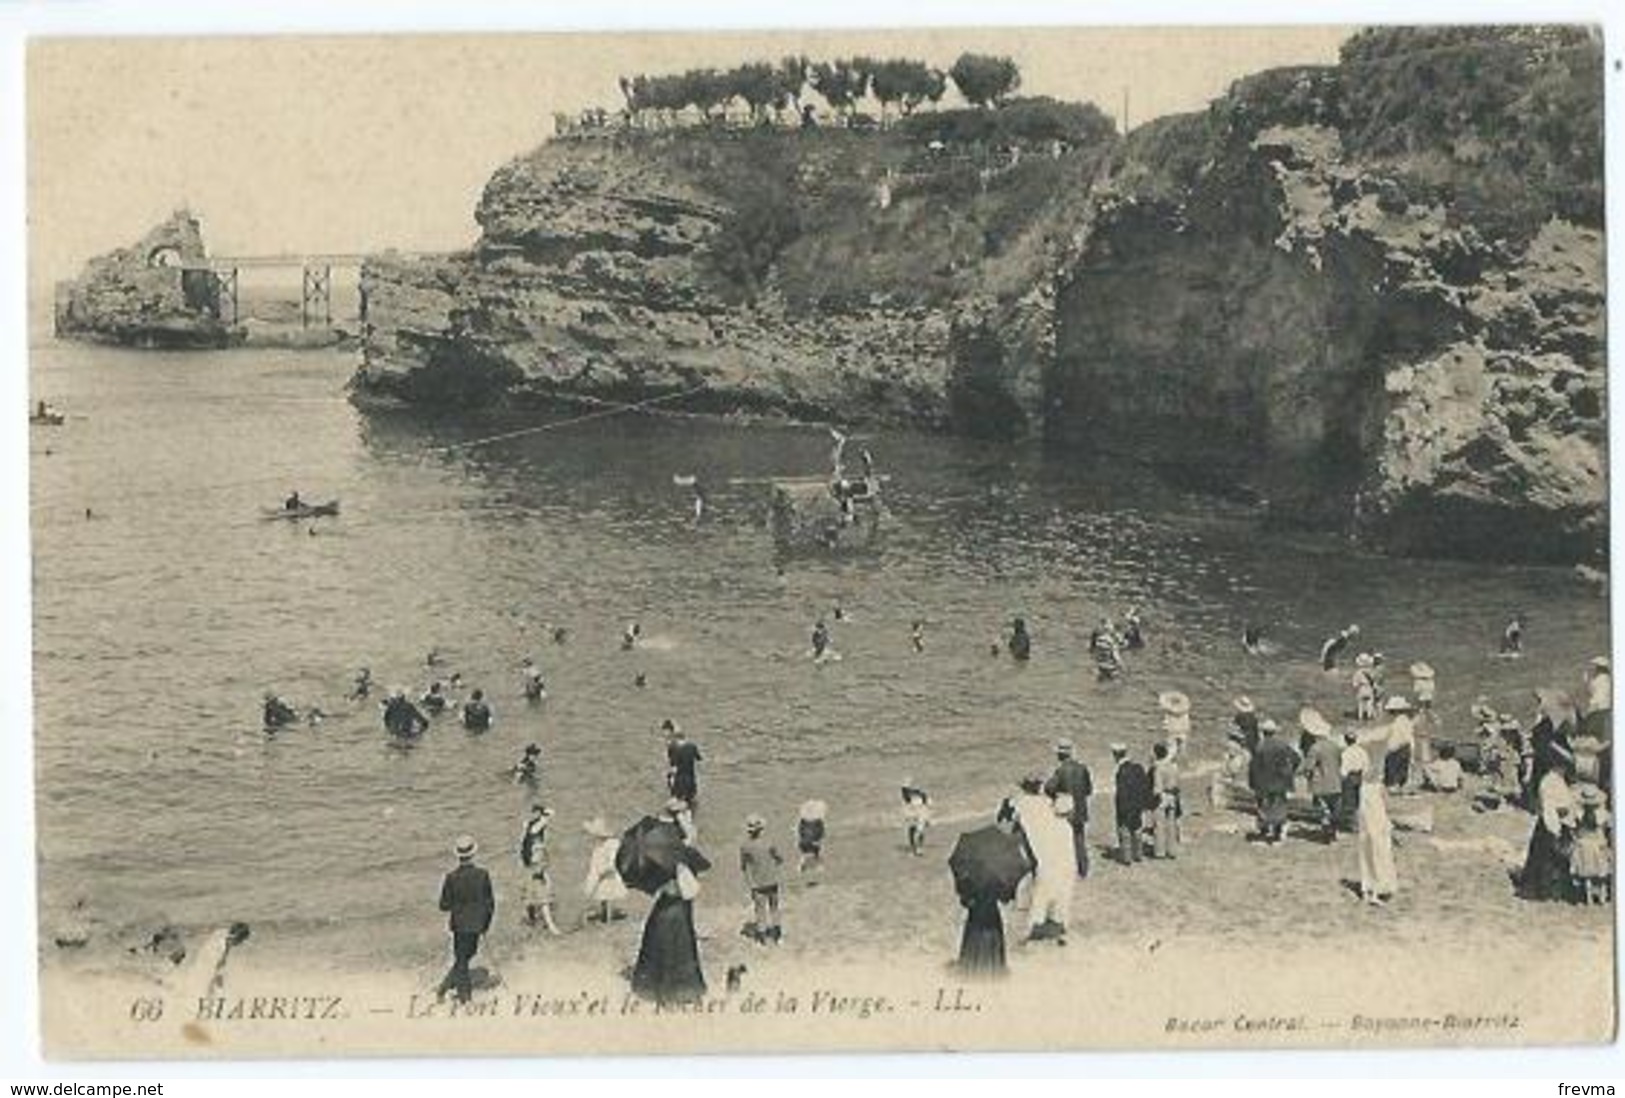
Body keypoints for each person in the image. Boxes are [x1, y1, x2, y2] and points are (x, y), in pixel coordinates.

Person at [630, 845, 709, 1004]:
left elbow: (643, 881)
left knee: (662, 944)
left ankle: (659, 989)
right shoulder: (683, 854)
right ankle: (682, 990)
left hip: (665, 906)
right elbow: (703, 867)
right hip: (678, 906)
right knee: (681, 946)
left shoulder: (656, 854)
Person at [436, 836, 495, 1003]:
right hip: (476, 925)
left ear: (458, 856)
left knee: (461, 959)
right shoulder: (482, 875)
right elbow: (490, 904)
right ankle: (459, 994)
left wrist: (457, 903)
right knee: (465, 958)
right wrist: (485, 924)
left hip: (459, 925)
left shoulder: (451, 877)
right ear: (473, 854)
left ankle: (452, 991)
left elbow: (443, 905)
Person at [1020, 792, 1077, 942]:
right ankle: (1058, 927)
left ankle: (1033, 928)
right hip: (1064, 867)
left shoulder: (1049, 825)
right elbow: (1068, 853)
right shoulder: (1066, 828)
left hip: (1047, 866)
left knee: (1040, 898)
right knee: (1062, 898)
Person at [1354, 745, 1398, 906]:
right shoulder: (1377, 789)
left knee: (1367, 857)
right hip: (1377, 826)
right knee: (1380, 857)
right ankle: (1377, 891)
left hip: (1366, 826)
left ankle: (1367, 889)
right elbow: (1384, 809)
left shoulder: (1363, 789)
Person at [1044, 738, 1093, 878]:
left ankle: (1066, 869)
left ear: (1059, 755)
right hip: (1080, 809)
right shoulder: (1082, 768)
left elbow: (1049, 788)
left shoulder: (1060, 771)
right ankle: (1083, 869)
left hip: (1065, 809)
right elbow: (1089, 789)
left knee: (1063, 840)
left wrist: (1057, 795)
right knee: (1079, 839)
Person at [1249, 719, 1299, 844]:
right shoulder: (1282, 745)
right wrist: (1290, 772)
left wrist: (1252, 782)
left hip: (1263, 783)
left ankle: (1264, 832)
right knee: (1279, 807)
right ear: (1275, 732)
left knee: (1263, 807)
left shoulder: (1259, 746)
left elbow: (1253, 767)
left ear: (1263, 732)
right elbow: (1296, 758)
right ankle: (1277, 834)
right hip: (1280, 782)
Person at [739, 815, 785, 944]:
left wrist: (749, 883)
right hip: (772, 880)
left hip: (757, 883)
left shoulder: (745, 846)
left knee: (760, 911)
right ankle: (777, 936)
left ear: (748, 830)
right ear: (761, 829)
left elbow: (743, 866)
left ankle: (762, 938)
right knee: (774, 908)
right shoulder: (769, 842)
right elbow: (780, 859)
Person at [1301, 708, 1343, 841]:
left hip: (1321, 784)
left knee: (1324, 811)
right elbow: (1340, 762)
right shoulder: (1335, 746)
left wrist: (1306, 775)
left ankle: (1327, 834)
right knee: (1334, 809)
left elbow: (1308, 767)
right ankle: (1333, 831)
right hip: (1335, 782)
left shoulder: (1315, 748)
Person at [519, 806, 562, 935]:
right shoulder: (536, 836)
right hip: (535, 868)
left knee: (530, 895)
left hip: (529, 867)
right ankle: (551, 926)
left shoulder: (528, 828)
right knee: (544, 898)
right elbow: (539, 860)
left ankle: (532, 920)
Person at [581, 817, 628, 924]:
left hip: (608, 873)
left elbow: (613, 859)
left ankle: (608, 918)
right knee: (601, 895)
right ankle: (604, 914)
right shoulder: (598, 846)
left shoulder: (612, 844)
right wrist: (596, 874)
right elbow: (596, 860)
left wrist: (607, 869)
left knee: (608, 895)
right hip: (598, 872)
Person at [1570, 786, 1612, 906]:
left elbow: (1573, 828)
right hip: (1598, 845)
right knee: (1601, 875)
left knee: (1586, 874)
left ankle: (1588, 899)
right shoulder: (1603, 815)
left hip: (1583, 845)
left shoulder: (1578, 814)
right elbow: (1609, 828)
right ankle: (1602, 899)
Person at [1111, 744, 1152, 865]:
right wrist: (1144, 802)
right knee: (1137, 828)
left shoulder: (1121, 771)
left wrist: (1120, 808)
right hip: (1137, 803)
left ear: (1115, 755)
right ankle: (1138, 854)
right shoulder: (1138, 767)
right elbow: (1145, 785)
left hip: (1126, 804)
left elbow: (1122, 792)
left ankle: (1127, 857)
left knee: (1125, 830)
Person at [1149, 743, 1181, 859]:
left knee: (1159, 825)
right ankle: (1172, 850)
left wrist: (1152, 798)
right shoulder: (1173, 766)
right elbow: (1177, 783)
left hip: (1162, 797)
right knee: (1171, 824)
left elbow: (1157, 787)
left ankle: (1160, 851)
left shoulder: (1158, 767)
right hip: (1172, 795)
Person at [1338, 730, 1369, 834]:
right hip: (1359, 776)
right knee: (1358, 800)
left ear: (1346, 740)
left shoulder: (1346, 752)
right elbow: (1366, 765)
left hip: (1350, 777)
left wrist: (1342, 778)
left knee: (1349, 801)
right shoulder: (1362, 751)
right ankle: (1358, 823)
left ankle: (1352, 825)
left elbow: (1344, 768)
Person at [665, 724, 703, 807]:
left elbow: (673, 763)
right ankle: (689, 803)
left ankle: (679, 803)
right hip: (690, 774)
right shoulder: (692, 746)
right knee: (690, 794)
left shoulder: (674, 747)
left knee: (677, 792)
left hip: (680, 775)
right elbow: (699, 758)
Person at [901, 779, 932, 856]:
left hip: (920, 814)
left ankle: (919, 848)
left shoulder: (922, 795)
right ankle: (914, 848)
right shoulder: (909, 796)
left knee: (919, 831)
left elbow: (926, 806)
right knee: (912, 831)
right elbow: (905, 797)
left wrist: (927, 818)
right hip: (912, 814)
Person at [1158, 691, 1192, 761]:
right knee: (1177, 749)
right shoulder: (1184, 708)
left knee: (1174, 749)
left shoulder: (1172, 709)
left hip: (1176, 731)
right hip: (1179, 731)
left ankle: (1173, 762)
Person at [797, 801, 827, 874]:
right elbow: (821, 833)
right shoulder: (816, 822)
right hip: (808, 843)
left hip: (807, 843)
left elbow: (800, 831)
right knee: (813, 853)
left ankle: (805, 866)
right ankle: (816, 866)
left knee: (809, 854)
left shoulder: (805, 822)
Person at [1352, 654, 1378, 721]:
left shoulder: (1357, 673)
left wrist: (1356, 689)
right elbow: (1375, 681)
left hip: (1361, 689)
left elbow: (1355, 684)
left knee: (1360, 706)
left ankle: (1360, 719)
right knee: (1370, 706)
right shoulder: (1371, 671)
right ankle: (1369, 719)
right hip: (1369, 689)